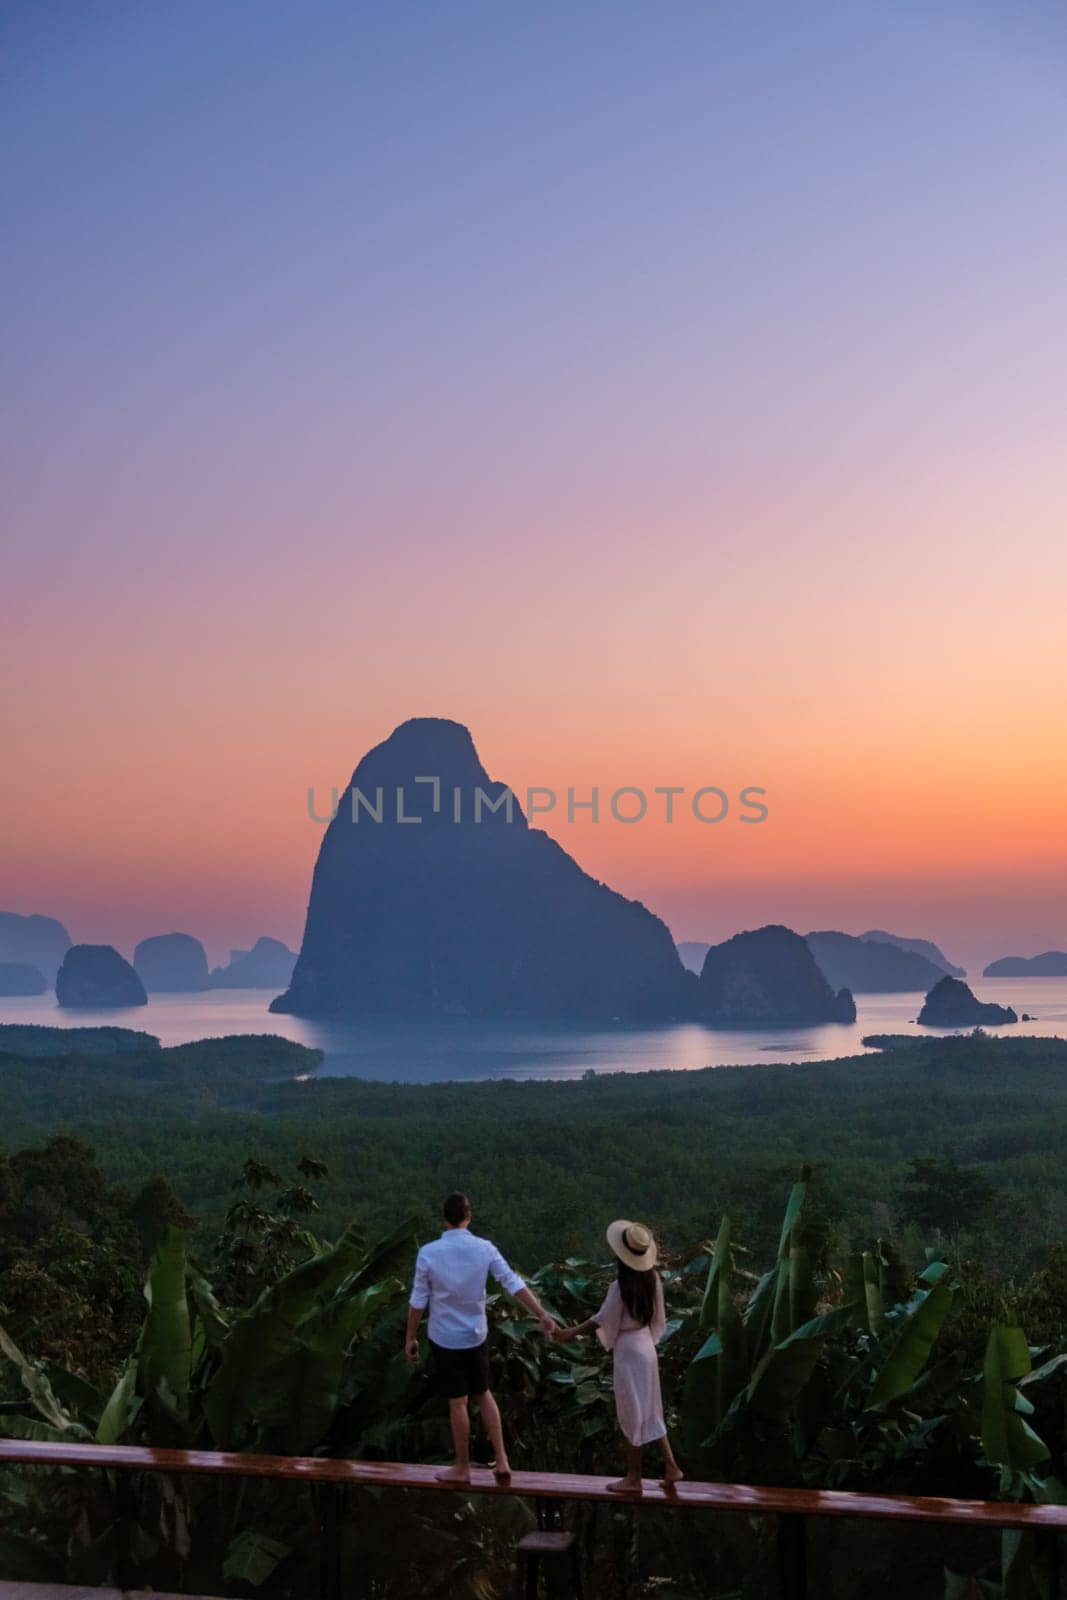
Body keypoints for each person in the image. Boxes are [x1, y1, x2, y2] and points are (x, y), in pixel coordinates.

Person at [406, 1191, 557, 1482]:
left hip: (444, 1338)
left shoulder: (428, 1252)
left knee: (457, 1402)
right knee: (484, 1393)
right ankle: (502, 1460)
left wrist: (410, 1336)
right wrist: (541, 1313)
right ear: (468, 1216)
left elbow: (418, 1300)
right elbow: (512, 1282)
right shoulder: (484, 1248)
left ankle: (462, 1467)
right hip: (476, 1334)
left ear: (444, 1219)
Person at [551, 1218, 683, 1494]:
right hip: (647, 1346)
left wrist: (568, 1333)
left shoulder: (620, 1286)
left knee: (631, 1410)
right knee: (650, 1408)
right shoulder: (653, 1279)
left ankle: (633, 1477)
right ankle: (671, 1466)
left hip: (629, 1352)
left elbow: (601, 1319)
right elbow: (658, 1318)